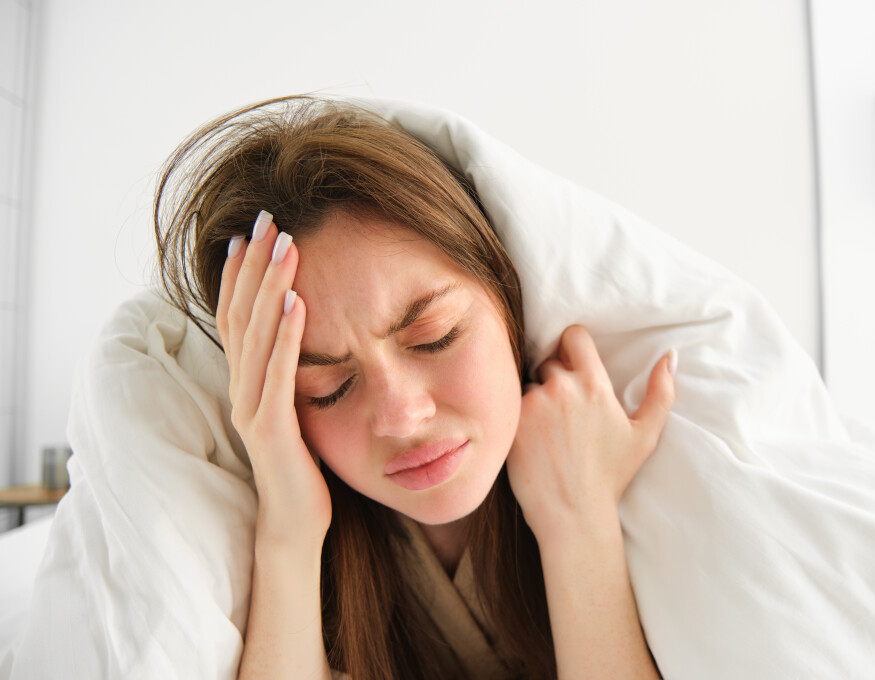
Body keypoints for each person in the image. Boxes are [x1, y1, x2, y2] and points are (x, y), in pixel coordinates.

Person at [154, 95, 678, 680]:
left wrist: (578, 525)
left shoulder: (643, 482)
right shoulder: (266, 553)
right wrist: (289, 529)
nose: (401, 415)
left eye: (435, 336)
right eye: (328, 387)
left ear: (506, 295)